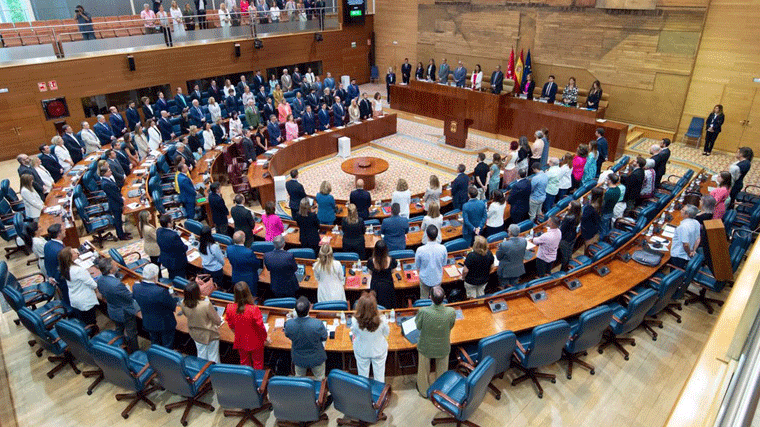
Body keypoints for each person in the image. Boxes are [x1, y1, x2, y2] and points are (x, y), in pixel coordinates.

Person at [415, 286, 455, 397]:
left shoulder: (423, 311)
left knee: (423, 371)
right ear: (444, 298)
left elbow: (418, 326)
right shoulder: (451, 312)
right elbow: (451, 325)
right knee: (442, 371)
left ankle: (424, 391)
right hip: (443, 346)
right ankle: (439, 391)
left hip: (426, 346)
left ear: (430, 297)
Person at [95, 258, 139, 353]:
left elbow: (102, 293)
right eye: (115, 265)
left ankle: (120, 345)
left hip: (112, 310)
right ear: (110, 270)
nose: (117, 266)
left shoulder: (100, 279)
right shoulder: (117, 284)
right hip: (125, 312)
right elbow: (130, 297)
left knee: (119, 328)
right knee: (132, 333)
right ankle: (135, 352)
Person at [348, 292, 390, 383]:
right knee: (379, 377)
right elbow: (387, 333)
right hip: (378, 351)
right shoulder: (382, 319)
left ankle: (364, 394)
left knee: (363, 378)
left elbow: (354, 333)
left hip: (362, 351)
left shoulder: (355, 320)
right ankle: (380, 394)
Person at [226, 282, 268, 367]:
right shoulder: (254, 309)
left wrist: (238, 333)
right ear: (248, 293)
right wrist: (265, 337)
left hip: (240, 340)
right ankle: (258, 379)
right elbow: (261, 327)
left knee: (244, 362)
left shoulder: (229, 308)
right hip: (256, 342)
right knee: (258, 363)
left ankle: (246, 378)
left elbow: (231, 325)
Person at [132, 263, 176, 348]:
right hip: (165, 323)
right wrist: (172, 296)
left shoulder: (135, 287)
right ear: (155, 276)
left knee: (155, 342)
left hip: (148, 321)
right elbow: (172, 306)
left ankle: (156, 358)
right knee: (167, 344)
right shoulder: (160, 291)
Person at [285, 296, 328, 379]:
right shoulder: (317, 324)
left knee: (299, 379)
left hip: (299, 358)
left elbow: (287, 335)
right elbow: (324, 337)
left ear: (295, 310)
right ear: (309, 308)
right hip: (316, 357)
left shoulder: (289, 324)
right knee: (320, 378)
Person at [180, 280, 222, 363]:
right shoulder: (206, 305)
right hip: (209, 334)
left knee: (201, 354)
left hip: (195, 333)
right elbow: (217, 320)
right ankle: (214, 373)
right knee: (213, 356)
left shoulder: (182, 303)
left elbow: (186, 315)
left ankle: (202, 370)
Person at [59, 247, 99, 328]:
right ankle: (94, 334)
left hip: (75, 298)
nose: (76, 253)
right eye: (73, 252)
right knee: (91, 321)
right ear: (70, 257)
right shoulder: (78, 270)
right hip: (85, 300)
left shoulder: (65, 267)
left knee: (83, 319)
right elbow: (92, 284)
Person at [414, 225, 448, 299]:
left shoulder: (420, 250)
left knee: (424, 299)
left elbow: (417, 266)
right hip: (437, 278)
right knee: (436, 299)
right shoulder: (443, 248)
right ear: (437, 235)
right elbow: (444, 263)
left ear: (427, 235)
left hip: (425, 279)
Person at [100, 166, 130, 240]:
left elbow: (116, 190)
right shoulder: (105, 183)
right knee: (118, 221)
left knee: (119, 220)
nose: (111, 171)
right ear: (104, 173)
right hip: (114, 204)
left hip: (117, 201)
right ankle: (121, 236)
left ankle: (122, 233)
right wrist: (121, 200)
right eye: (109, 171)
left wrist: (121, 196)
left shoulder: (109, 179)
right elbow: (113, 195)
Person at [227, 231, 260, 296]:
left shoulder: (229, 248)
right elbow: (256, 265)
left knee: (239, 295)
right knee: (250, 296)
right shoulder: (249, 252)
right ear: (243, 239)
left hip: (236, 276)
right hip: (249, 279)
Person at [368, 240, 397, 309]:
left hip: (375, 287)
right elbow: (393, 271)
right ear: (386, 250)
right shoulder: (392, 260)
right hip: (388, 286)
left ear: (375, 250)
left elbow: (370, 273)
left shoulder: (371, 261)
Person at [157, 214, 188, 279]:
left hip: (166, 259)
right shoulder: (173, 235)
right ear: (168, 224)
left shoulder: (158, 230)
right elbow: (182, 248)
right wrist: (187, 246)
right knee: (180, 278)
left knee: (171, 275)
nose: (173, 221)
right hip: (176, 262)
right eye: (172, 220)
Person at [671, 205, 701, 269]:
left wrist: (689, 253)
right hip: (687, 254)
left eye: (683, 210)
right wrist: (693, 250)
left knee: (675, 272)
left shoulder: (683, 227)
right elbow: (698, 239)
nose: (681, 210)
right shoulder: (696, 222)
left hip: (679, 255)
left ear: (687, 214)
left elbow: (686, 244)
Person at [558, 201, 581, 271]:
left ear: (572, 208)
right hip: (573, 236)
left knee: (565, 256)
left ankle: (563, 270)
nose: (568, 204)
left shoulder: (568, 217)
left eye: (570, 204)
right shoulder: (578, 215)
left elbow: (562, 229)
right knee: (569, 253)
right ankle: (566, 266)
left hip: (565, 239)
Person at [600, 174, 620, 241]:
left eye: (607, 179)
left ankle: (602, 243)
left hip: (605, 212)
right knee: (607, 227)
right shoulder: (618, 189)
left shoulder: (609, 193)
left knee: (603, 230)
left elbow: (603, 204)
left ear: (610, 181)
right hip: (611, 211)